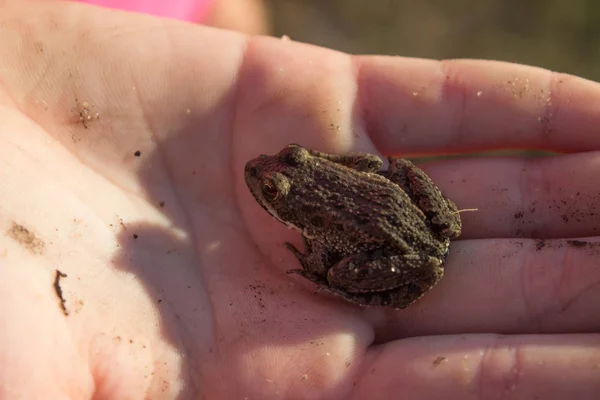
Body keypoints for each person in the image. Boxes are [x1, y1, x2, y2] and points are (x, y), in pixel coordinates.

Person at [1, 1, 599, 398]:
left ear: (293, 195)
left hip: (401, 243)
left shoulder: (310, 212)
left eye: (282, 175)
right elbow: (373, 166)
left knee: (352, 264)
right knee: (398, 220)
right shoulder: (330, 178)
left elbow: (355, 204)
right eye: (275, 184)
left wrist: (324, 273)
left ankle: (340, 280)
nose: (267, 173)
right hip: (412, 216)